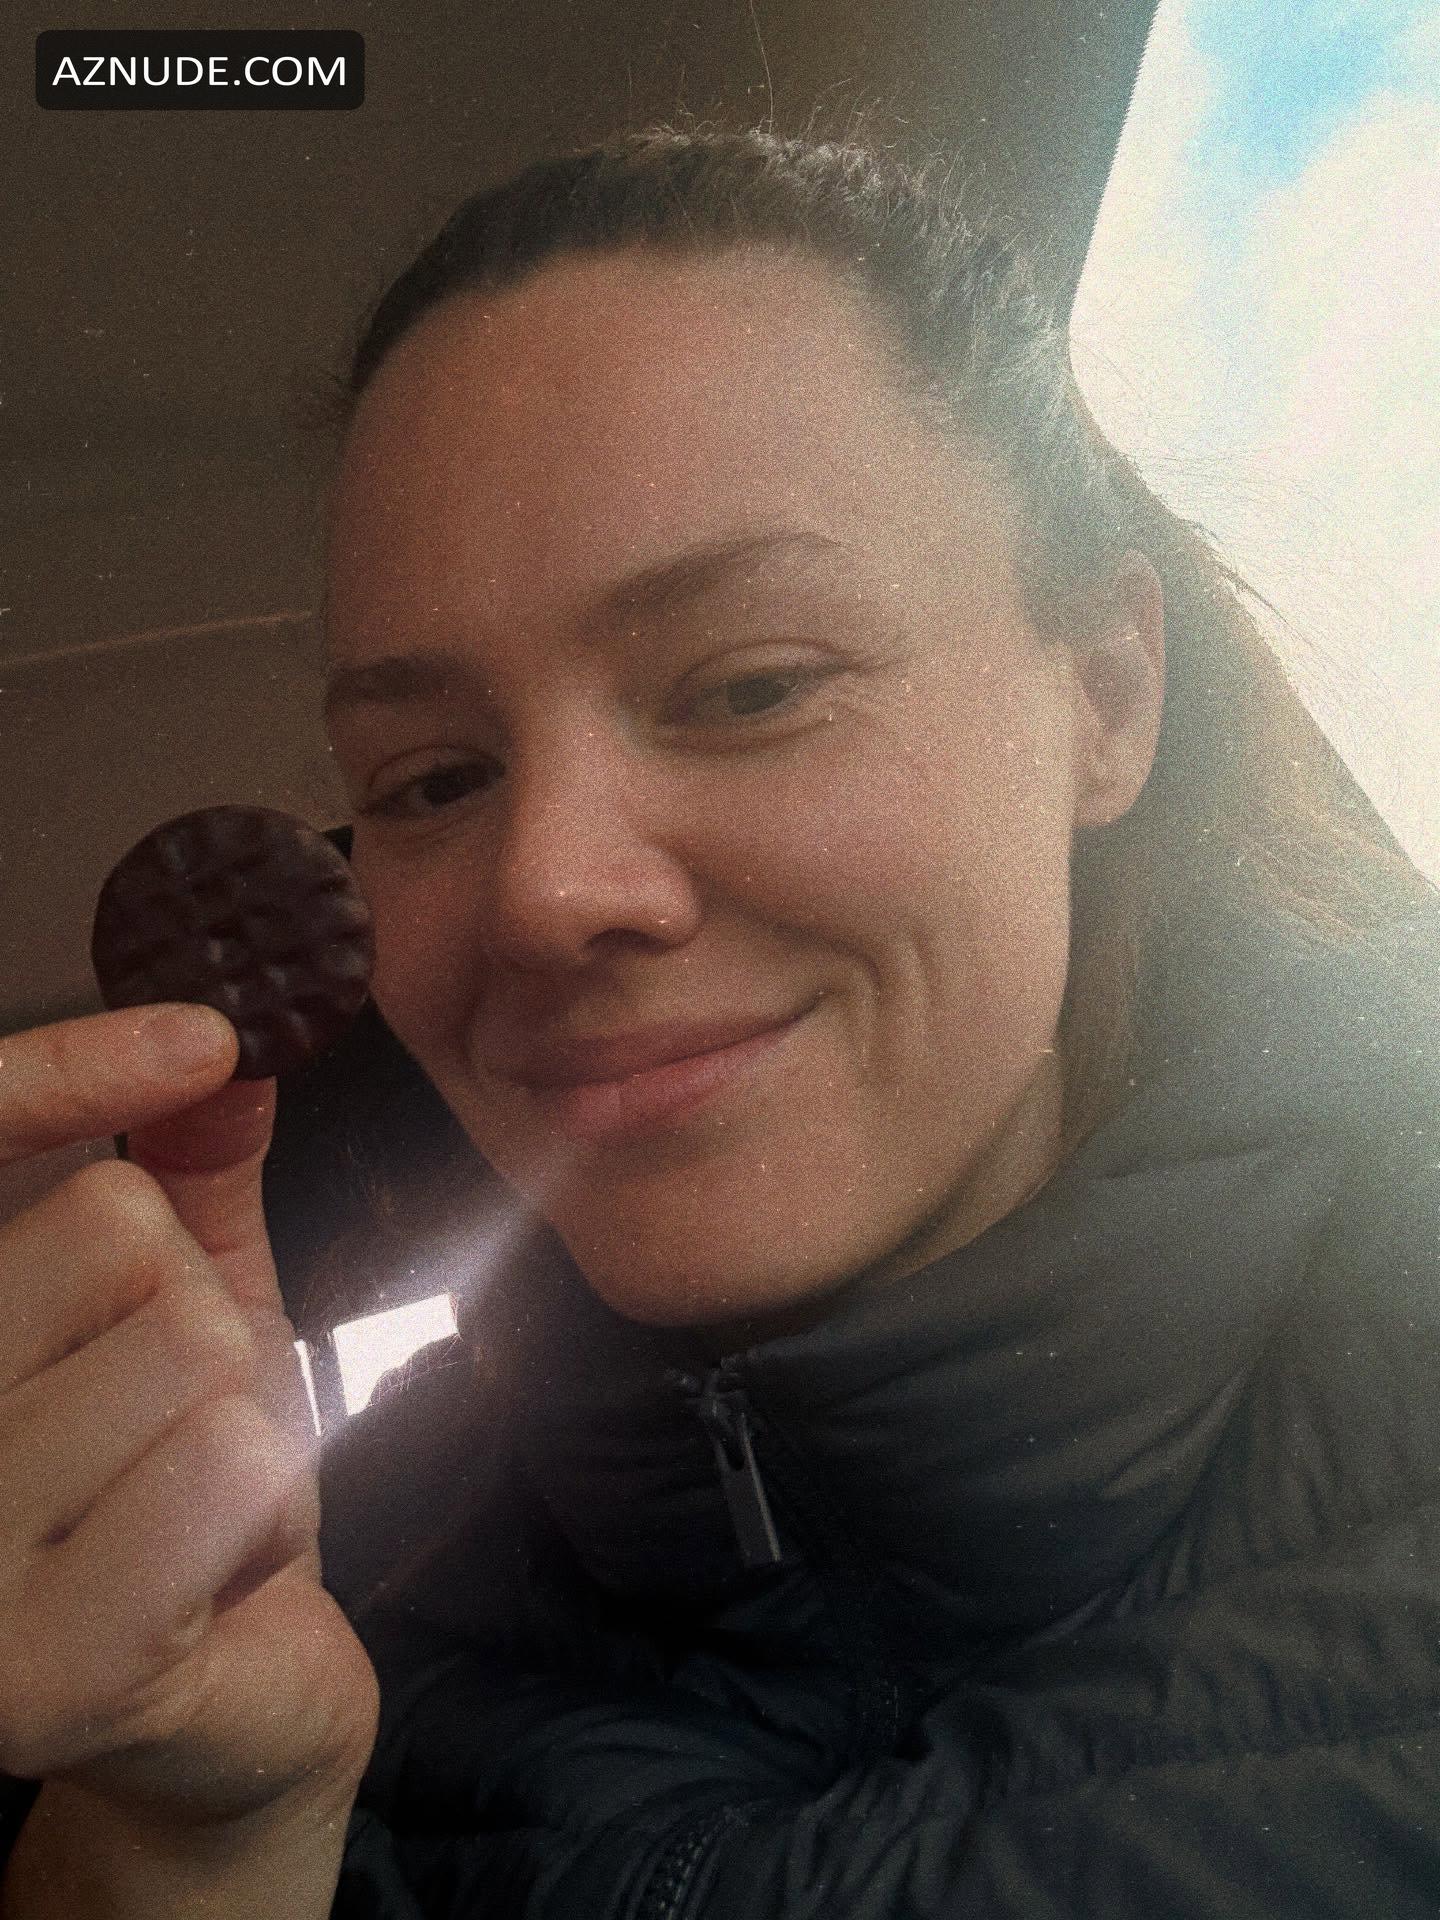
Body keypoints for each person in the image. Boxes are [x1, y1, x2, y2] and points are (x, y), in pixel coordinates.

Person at [2, 121, 1439, 1918]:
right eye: (432, 779)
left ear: (1106, 694)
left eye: (754, 685)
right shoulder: (263, 1606)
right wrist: (179, 1848)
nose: (545, 889)